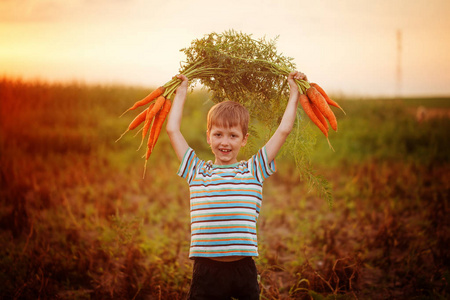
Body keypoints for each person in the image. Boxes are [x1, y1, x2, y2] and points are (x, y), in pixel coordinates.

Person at [166, 71, 307, 300]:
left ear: (244, 139)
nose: (224, 142)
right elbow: (172, 130)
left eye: (232, 135)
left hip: (243, 269)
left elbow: (284, 130)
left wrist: (294, 93)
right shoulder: (197, 170)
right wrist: (181, 93)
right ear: (208, 137)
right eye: (218, 134)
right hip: (206, 271)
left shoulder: (253, 169)